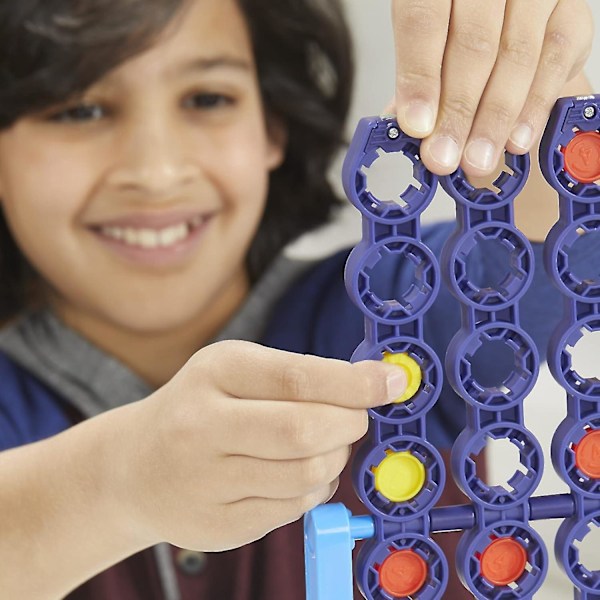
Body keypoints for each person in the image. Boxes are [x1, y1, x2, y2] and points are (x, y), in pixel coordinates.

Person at [0, 0, 594, 598]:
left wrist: (535, 102)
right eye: (80, 109)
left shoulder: (394, 308)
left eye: (207, 99)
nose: (156, 171)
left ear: (273, 127)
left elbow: (552, 254)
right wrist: (117, 484)